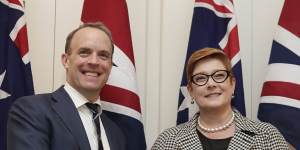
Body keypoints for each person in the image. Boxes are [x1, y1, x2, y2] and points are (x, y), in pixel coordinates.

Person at [7, 22, 126, 150]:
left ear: (110, 65)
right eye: (84, 52)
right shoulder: (31, 111)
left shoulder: (116, 133)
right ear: (66, 61)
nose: (94, 61)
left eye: (103, 55)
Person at [152, 47, 289, 150]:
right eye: (201, 78)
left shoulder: (267, 136)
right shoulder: (167, 141)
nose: (211, 84)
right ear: (191, 91)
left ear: (232, 84)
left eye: (219, 75)